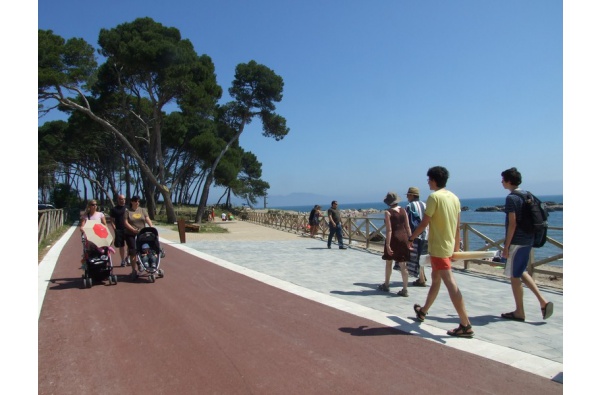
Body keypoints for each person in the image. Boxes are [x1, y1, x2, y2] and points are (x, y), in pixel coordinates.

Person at [409, 166, 474, 338]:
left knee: (450, 283)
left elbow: (424, 223)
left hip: (438, 248)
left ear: (434, 180)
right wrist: (457, 246)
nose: (427, 182)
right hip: (448, 245)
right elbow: (457, 225)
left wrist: (411, 238)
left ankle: (465, 324)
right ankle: (423, 311)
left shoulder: (434, 197)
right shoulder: (454, 197)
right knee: (435, 280)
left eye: (429, 179)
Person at [499, 167, 553, 322]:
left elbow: (512, 223)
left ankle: (519, 311)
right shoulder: (527, 194)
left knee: (514, 276)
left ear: (509, 181)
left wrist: (506, 246)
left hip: (517, 240)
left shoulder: (512, 198)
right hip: (529, 238)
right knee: (520, 270)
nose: (501, 182)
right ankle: (543, 301)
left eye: (503, 179)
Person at [378, 192, 411, 296]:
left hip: (394, 239)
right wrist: (410, 239)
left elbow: (389, 230)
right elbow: (407, 226)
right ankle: (405, 289)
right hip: (404, 237)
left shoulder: (388, 212)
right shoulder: (403, 210)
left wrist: (387, 244)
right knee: (403, 264)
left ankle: (386, 284)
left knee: (389, 262)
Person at [403, 187, 429, 286]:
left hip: (415, 235)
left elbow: (407, 222)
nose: (407, 197)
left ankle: (421, 278)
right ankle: (421, 277)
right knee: (422, 256)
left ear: (412, 195)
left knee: (416, 257)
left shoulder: (409, 206)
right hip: (426, 234)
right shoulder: (425, 205)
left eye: (408, 195)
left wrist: (409, 237)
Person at [124, 195, 153, 277]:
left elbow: (147, 219)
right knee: (133, 251)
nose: (137, 203)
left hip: (142, 234)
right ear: (132, 202)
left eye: (138, 201)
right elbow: (125, 222)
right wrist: (132, 229)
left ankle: (143, 263)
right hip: (131, 234)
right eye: (135, 201)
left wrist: (151, 227)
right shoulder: (127, 211)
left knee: (144, 249)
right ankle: (134, 270)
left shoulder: (142, 210)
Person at [110, 194, 128, 267]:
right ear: (118, 200)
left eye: (123, 199)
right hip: (119, 230)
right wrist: (115, 229)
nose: (122, 200)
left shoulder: (128, 208)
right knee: (121, 246)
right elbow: (112, 220)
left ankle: (128, 258)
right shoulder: (114, 209)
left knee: (131, 245)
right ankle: (123, 260)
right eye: (120, 199)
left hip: (128, 229)